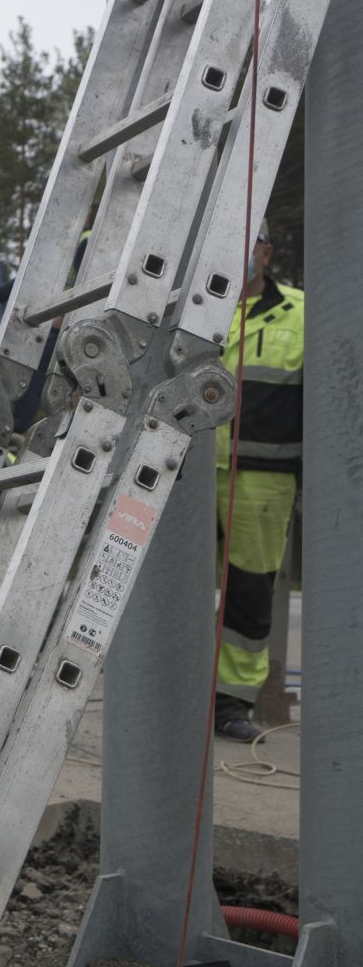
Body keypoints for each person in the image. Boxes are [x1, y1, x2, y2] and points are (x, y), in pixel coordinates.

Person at [212, 224, 302, 742]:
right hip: (187, 475)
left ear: (265, 253)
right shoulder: (200, 309)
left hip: (263, 481)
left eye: (245, 244)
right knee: (168, 584)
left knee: (247, 591)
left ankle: (232, 704)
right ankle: (168, 686)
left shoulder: (304, 312)